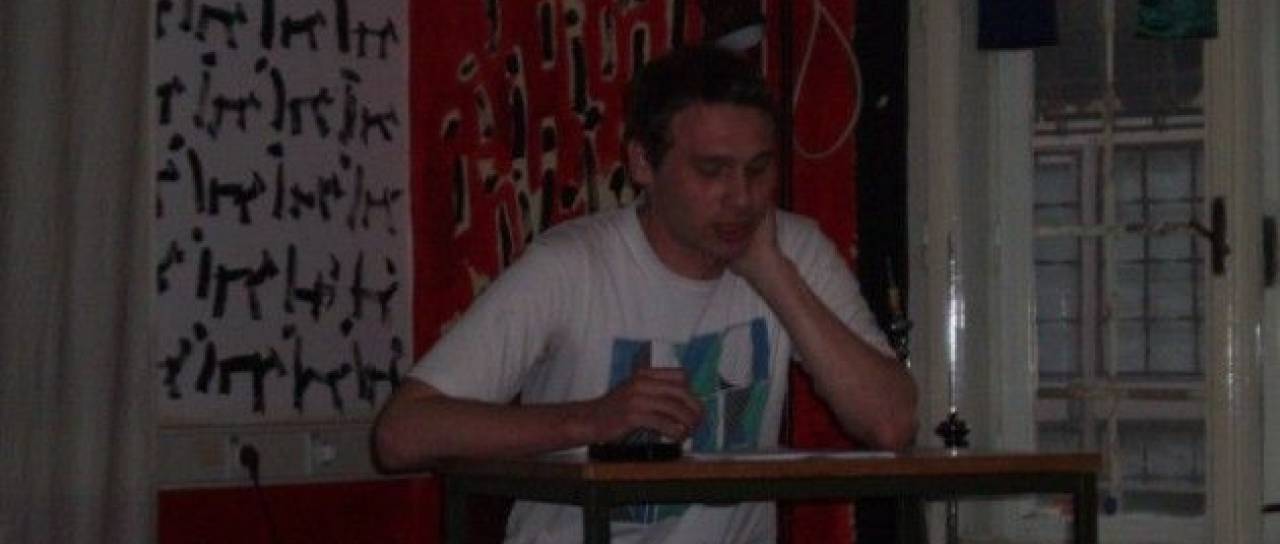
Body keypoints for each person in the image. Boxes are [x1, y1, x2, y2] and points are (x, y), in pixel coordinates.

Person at [374, 44, 917, 544]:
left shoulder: (792, 250)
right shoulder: (571, 265)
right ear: (641, 164)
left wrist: (774, 275)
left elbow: (891, 423)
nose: (742, 197)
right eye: (712, 171)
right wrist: (592, 420)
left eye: (759, 169)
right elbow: (402, 434)